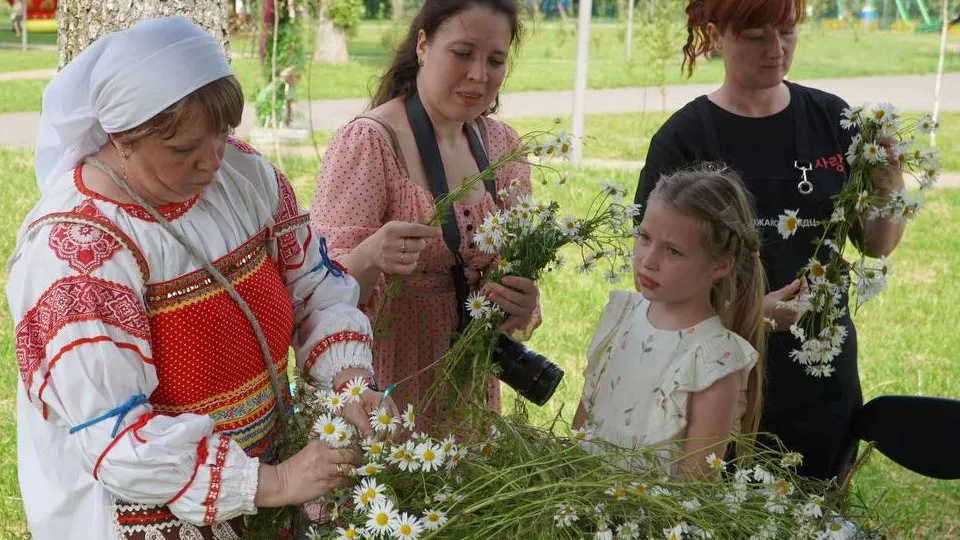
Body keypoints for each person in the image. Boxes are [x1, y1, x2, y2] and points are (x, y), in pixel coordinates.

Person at [8, 17, 394, 540]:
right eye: (184, 149)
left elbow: (314, 290)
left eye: (222, 134)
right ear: (122, 138)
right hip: (156, 512)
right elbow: (117, 439)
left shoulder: (244, 177)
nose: (212, 161)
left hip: (261, 486)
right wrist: (272, 481)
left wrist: (349, 381)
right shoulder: (76, 255)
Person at [633, 0, 906, 480]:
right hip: (716, 377)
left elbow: (876, 244)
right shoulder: (684, 139)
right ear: (717, 35)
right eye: (756, 36)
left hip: (820, 373)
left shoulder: (831, 119)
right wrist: (751, 313)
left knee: (816, 512)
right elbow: (653, 279)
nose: (776, 50)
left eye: (788, 31)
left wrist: (889, 182)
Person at [310, 0, 540, 430]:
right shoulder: (369, 144)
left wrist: (521, 303)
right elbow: (319, 297)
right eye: (462, 53)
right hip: (385, 391)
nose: (478, 75)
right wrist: (370, 255)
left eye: (495, 60)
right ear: (422, 45)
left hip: (468, 394)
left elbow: (513, 269)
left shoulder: (504, 148)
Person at [574, 165, 764, 478]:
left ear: (720, 265)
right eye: (645, 237)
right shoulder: (622, 315)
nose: (648, 260)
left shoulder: (713, 359)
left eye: (673, 251)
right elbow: (584, 418)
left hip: (645, 521)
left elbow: (694, 486)